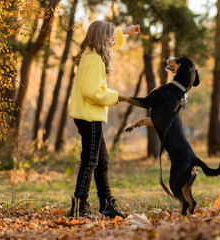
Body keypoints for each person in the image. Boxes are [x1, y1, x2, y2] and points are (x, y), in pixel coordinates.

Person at [69, 20, 140, 218]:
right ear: (102, 40)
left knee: (102, 161)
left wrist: (124, 32)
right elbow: (91, 91)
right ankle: (78, 206)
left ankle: (106, 204)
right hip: (89, 117)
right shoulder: (96, 61)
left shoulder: (91, 54)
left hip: (88, 116)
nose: (112, 42)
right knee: (90, 161)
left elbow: (113, 43)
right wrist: (114, 96)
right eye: (109, 38)